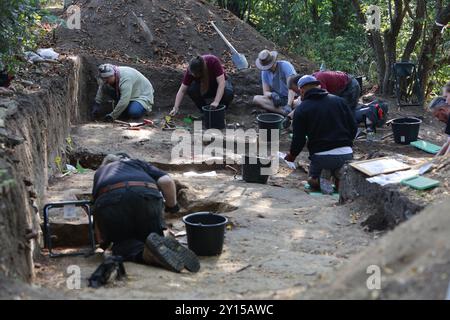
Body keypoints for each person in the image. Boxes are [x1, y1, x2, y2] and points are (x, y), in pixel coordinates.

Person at [92, 153, 200, 273]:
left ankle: (145, 254)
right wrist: (172, 206)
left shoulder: (100, 172)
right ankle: (159, 242)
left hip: (111, 202)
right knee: (150, 237)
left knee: (122, 244)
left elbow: (96, 209)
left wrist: (101, 239)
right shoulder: (136, 163)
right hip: (146, 196)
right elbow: (166, 181)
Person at [285, 75, 357, 191]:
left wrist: (292, 155)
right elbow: (353, 127)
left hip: (321, 157)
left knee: (311, 180)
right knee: (339, 168)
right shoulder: (339, 101)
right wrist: (347, 144)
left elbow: (299, 140)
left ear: (302, 91)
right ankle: (339, 179)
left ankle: (318, 180)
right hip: (346, 154)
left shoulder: (301, 109)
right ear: (319, 87)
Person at [253, 50, 297, 115]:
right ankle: (283, 112)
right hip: (278, 99)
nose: (268, 68)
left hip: (292, 98)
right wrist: (272, 95)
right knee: (256, 99)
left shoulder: (286, 66)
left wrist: (289, 105)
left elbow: (292, 88)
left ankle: (288, 110)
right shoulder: (264, 72)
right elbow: (265, 92)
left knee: (300, 102)